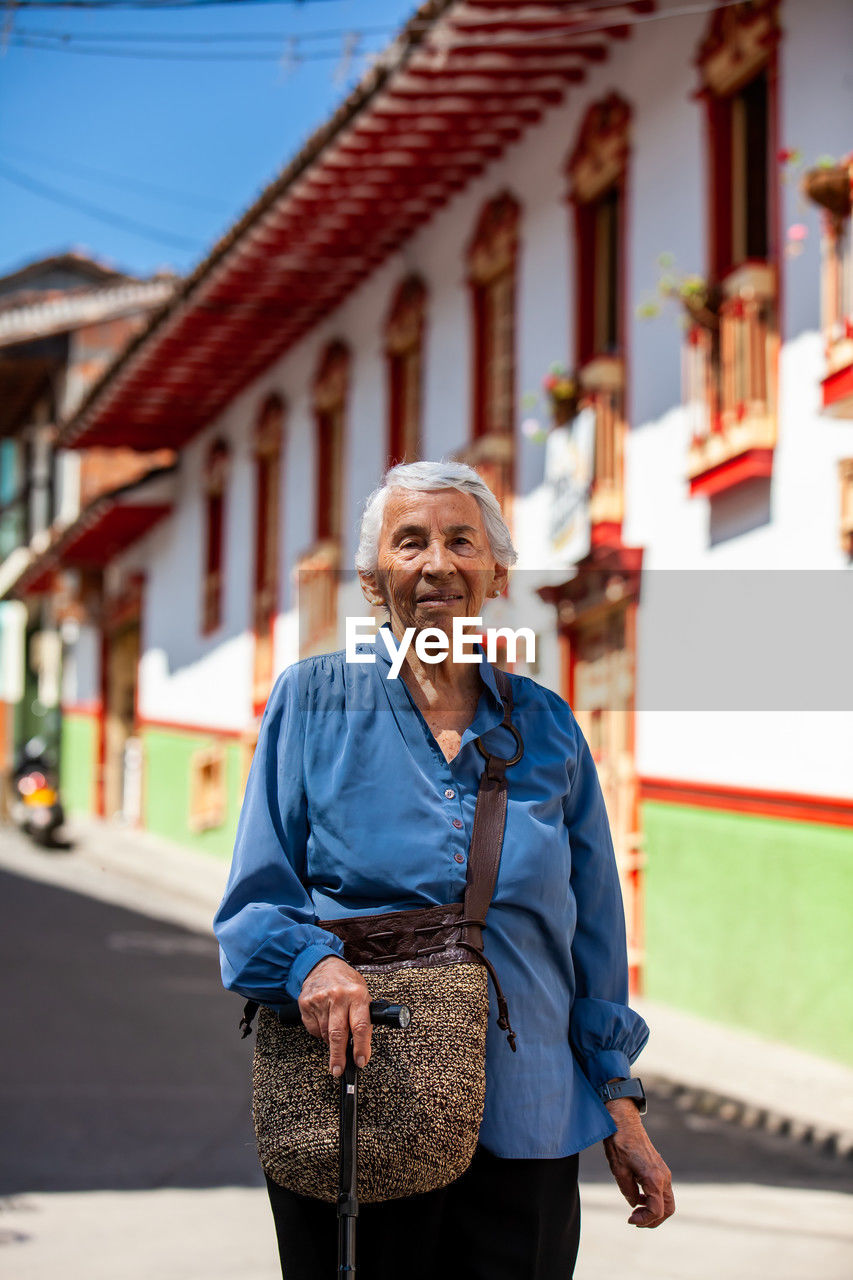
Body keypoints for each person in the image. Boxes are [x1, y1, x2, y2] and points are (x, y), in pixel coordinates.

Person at [213, 460, 674, 1279]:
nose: (436, 563)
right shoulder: (312, 704)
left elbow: (592, 932)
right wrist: (309, 962)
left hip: (528, 1111)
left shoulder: (549, 726)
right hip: (363, 1101)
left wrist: (619, 1102)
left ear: (494, 573)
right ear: (371, 578)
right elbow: (253, 909)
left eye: (461, 541)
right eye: (410, 541)